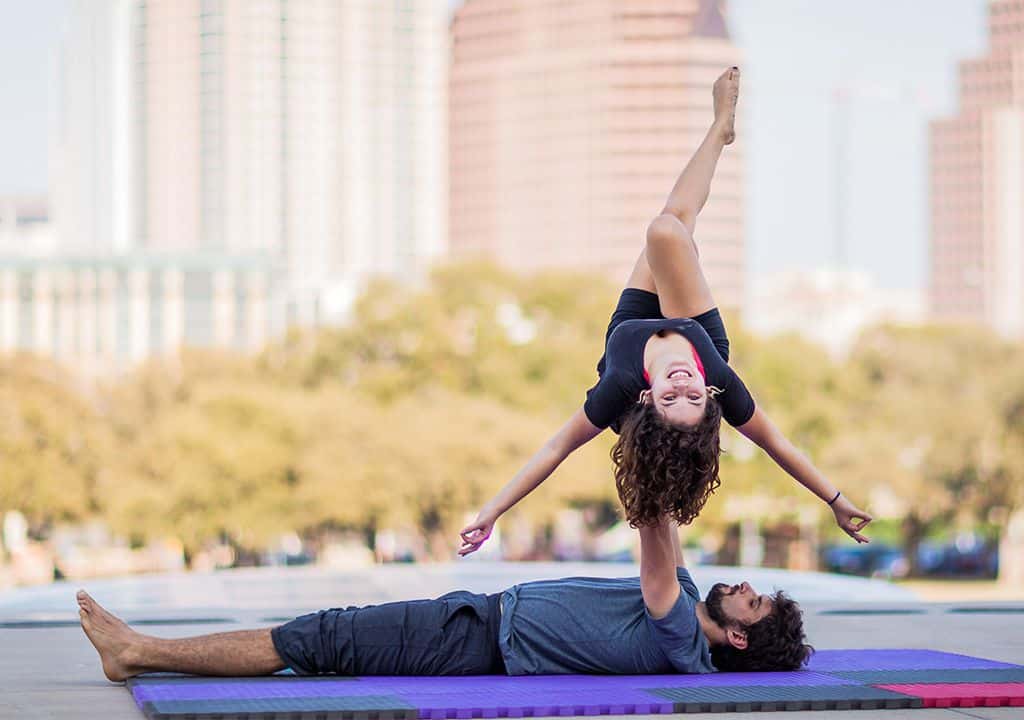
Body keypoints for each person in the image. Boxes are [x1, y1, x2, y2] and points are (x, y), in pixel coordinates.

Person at [459, 67, 871, 555]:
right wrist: (835, 500)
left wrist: (491, 511)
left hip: (631, 328)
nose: (682, 385)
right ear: (708, 393)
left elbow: (555, 449)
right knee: (669, 228)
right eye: (692, 396)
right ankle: (719, 130)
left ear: (646, 398)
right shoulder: (716, 378)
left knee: (669, 226)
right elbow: (777, 444)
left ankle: (719, 130)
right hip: (696, 332)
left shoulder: (618, 387)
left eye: (671, 397)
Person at [77, 517, 811, 681]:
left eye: (755, 604)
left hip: (468, 640)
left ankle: (137, 652)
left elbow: (651, 524)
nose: (747, 587)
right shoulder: (691, 594)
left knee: (318, 638)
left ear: (738, 638)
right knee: (322, 634)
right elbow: (669, 520)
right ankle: (139, 650)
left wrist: (648, 421)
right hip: (476, 618)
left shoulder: (681, 639)